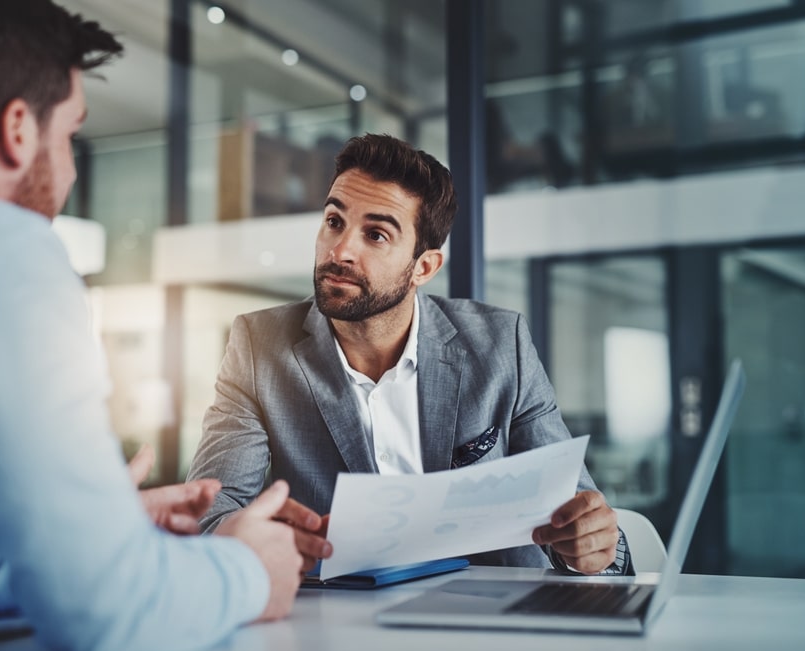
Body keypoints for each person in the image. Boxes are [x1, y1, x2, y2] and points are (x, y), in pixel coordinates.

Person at [0, 1, 302, 651]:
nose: (69, 172)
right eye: (71, 135)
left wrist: (101, 532)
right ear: (17, 129)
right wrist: (246, 568)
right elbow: (104, 611)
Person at [187, 133, 631, 576]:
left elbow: (580, 516)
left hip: (492, 617)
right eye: (334, 221)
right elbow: (210, 509)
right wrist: (248, 533)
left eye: (376, 234)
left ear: (424, 267)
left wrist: (591, 543)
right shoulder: (258, 345)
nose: (340, 251)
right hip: (339, 621)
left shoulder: (501, 345)